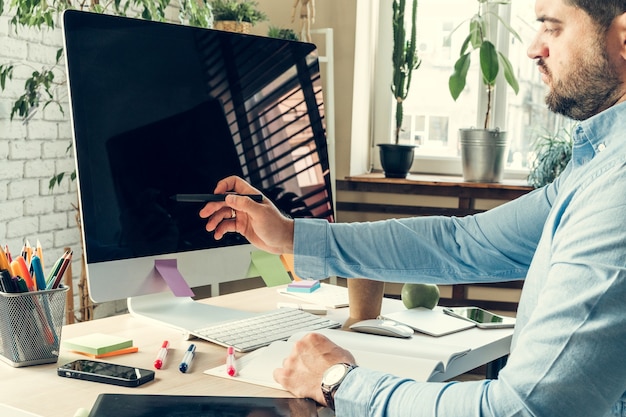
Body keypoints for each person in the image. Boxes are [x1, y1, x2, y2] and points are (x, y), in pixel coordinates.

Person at [200, 1, 626, 415]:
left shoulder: (617, 190)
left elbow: (523, 410)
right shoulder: (597, 166)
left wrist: (339, 382)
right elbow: (463, 244)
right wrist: (292, 235)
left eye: (552, 26)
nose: (534, 47)